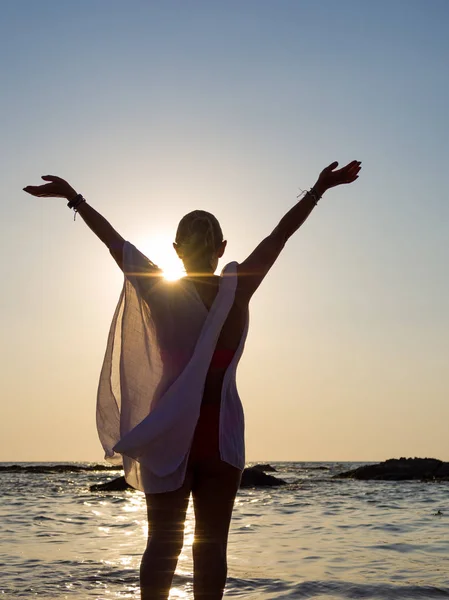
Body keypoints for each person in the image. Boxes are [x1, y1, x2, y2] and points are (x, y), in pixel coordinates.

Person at [24, 159, 361, 599]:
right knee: (212, 549)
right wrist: (319, 188)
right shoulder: (237, 291)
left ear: (176, 248)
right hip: (221, 435)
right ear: (221, 247)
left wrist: (75, 198)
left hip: (170, 436)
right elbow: (279, 237)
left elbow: (115, 243)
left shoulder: (160, 290)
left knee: (163, 544)